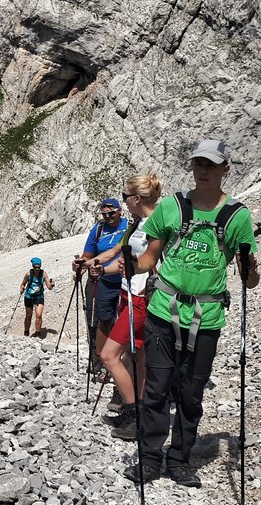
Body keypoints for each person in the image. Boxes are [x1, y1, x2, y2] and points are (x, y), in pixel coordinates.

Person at [123, 139, 260, 487]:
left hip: (207, 317)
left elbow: (249, 278)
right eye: (199, 164)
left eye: (211, 165)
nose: (204, 171)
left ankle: (180, 460)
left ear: (225, 169)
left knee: (191, 391)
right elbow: (149, 259)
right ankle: (150, 459)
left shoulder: (238, 216)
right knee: (156, 389)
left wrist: (251, 268)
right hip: (163, 311)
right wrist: (128, 266)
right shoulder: (172, 207)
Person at [86, 174, 163, 440]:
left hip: (141, 298)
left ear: (136, 199)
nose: (124, 202)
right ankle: (139, 411)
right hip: (128, 294)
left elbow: (154, 263)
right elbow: (120, 259)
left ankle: (133, 413)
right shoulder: (137, 223)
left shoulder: (157, 224)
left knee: (109, 355)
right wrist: (99, 268)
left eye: (125, 197)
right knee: (137, 356)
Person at [74, 198, 128, 369]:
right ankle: (98, 361)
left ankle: (118, 359)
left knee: (122, 321)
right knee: (98, 320)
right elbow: (87, 255)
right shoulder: (97, 229)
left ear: (120, 211)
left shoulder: (129, 226)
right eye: (104, 214)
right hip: (100, 280)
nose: (108, 217)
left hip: (124, 281)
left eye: (111, 213)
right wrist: (80, 265)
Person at [19, 257, 54, 337]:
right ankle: (26, 332)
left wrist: (52, 285)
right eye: (35, 267)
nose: (37, 269)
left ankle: (38, 333)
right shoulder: (28, 274)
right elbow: (23, 284)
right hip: (29, 296)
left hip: (39, 296)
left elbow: (49, 287)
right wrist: (22, 288)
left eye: (39, 267)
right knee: (28, 315)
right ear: (32, 266)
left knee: (38, 315)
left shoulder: (44, 274)